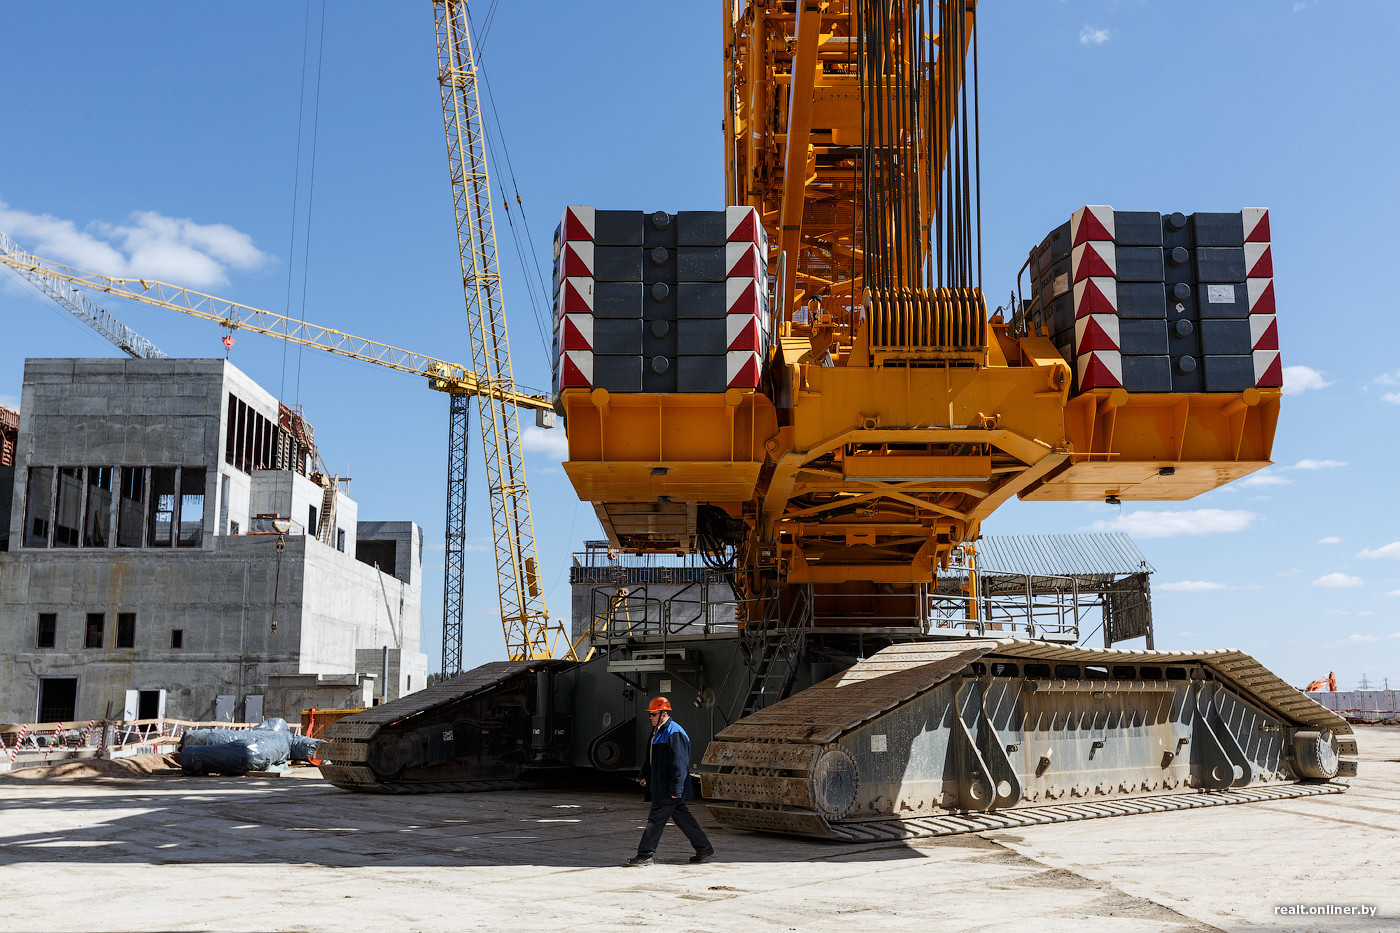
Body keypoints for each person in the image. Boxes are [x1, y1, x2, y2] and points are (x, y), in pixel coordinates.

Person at [625, 696, 714, 866]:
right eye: (650, 714)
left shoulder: (674, 732)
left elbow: (679, 764)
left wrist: (676, 789)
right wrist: (644, 774)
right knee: (683, 819)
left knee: (655, 821)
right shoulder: (657, 731)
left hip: (667, 789)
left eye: (653, 714)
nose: (650, 717)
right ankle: (704, 847)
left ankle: (645, 855)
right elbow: (651, 757)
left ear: (663, 713)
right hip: (661, 786)